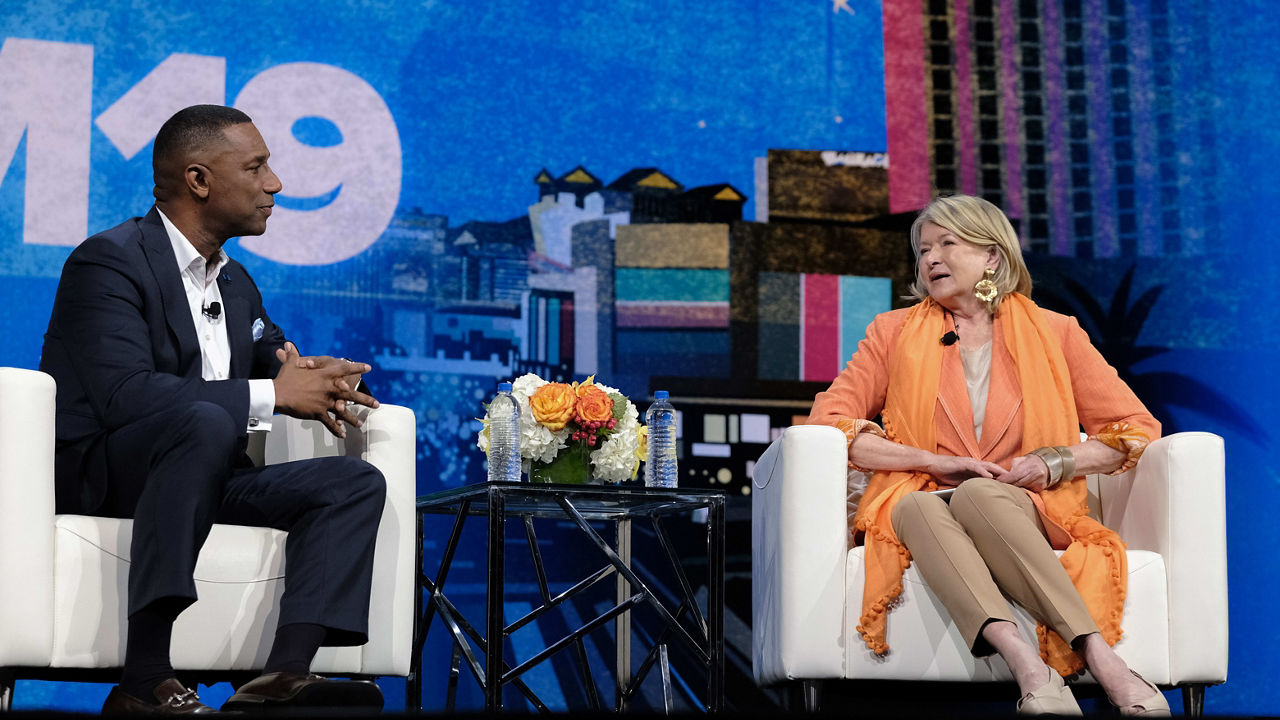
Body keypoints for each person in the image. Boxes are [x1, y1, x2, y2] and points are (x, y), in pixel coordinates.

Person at [40, 105, 388, 714]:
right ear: (199, 180)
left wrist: (307, 375)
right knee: (203, 421)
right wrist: (273, 395)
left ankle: (280, 679)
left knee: (352, 483)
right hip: (107, 476)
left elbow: (269, 355)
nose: (274, 184)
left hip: (205, 471)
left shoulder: (235, 283)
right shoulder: (108, 262)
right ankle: (144, 677)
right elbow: (125, 397)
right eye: (256, 167)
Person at [808, 194, 1170, 716]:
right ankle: (1028, 664)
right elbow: (829, 423)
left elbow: (1134, 430)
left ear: (992, 256)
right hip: (922, 497)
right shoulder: (891, 333)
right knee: (914, 504)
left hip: (1025, 502)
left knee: (979, 494)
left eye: (947, 244)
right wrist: (929, 462)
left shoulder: (1056, 332)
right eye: (923, 249)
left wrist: (1053, 461)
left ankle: (1098, 655)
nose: (930, 258)